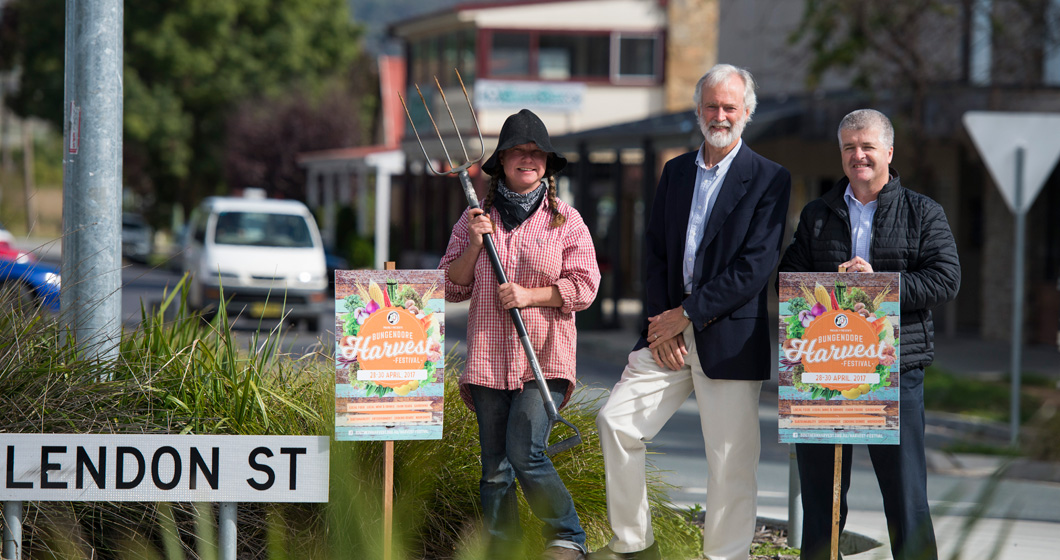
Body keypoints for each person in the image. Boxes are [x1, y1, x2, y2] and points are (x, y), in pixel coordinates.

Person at [592, 64, 792, 560]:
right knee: (616, 423)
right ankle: (635, 546)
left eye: (729, 107)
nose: (720, 115)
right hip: (667, 334)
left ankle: (724, 556)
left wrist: (688, 313)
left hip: (728, 339)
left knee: (730, 463)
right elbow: (655, 250)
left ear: (747, 113)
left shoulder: (769, 178)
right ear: (698, 110)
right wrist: (664, 321)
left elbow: (756, 266)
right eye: (711, 106)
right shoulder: (676, 171)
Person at [778, 109, 961, 560]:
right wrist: (836, 288)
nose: (858, 155)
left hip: (894, 371)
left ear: (889, 152)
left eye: (867, 147)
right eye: (849, 148)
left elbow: (945, 279)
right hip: (822, 373)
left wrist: (879, 284)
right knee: (821, 501)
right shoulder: (817, 214)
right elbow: (790, 277)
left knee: (905, 496)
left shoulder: (923, 212)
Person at [439, 108, 601, 560]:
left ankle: (567, 537)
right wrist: (474, 245)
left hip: (543, 358)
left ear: (547, 164)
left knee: (525, 452)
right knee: (494, 468)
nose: (527, 159)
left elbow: (585, 286)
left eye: (536, 152)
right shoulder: (475, 218)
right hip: (489, 358)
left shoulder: (566, 221)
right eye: (517, 151)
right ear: (502, 161)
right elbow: (450, 285)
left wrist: (532, 296)